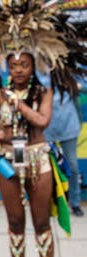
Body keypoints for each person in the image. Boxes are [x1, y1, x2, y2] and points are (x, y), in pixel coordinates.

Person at [0, 52, 57, 257]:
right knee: (15, 222)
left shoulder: (43, 93)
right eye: (13, 66)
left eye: (24, 65)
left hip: (38, 160)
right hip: (9, 161)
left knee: (41, 223)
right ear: (7, 68)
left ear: (32, 68)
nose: (18, 70)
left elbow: (42, 121)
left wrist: (20, 105)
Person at [44, 89, 84, 217]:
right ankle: (48, 202)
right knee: (46, 167)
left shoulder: (67, 76)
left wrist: (77, 85)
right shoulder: (39, 76)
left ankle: (75, 203)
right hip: (46, 128)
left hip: (69, 127)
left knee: (72, 165)